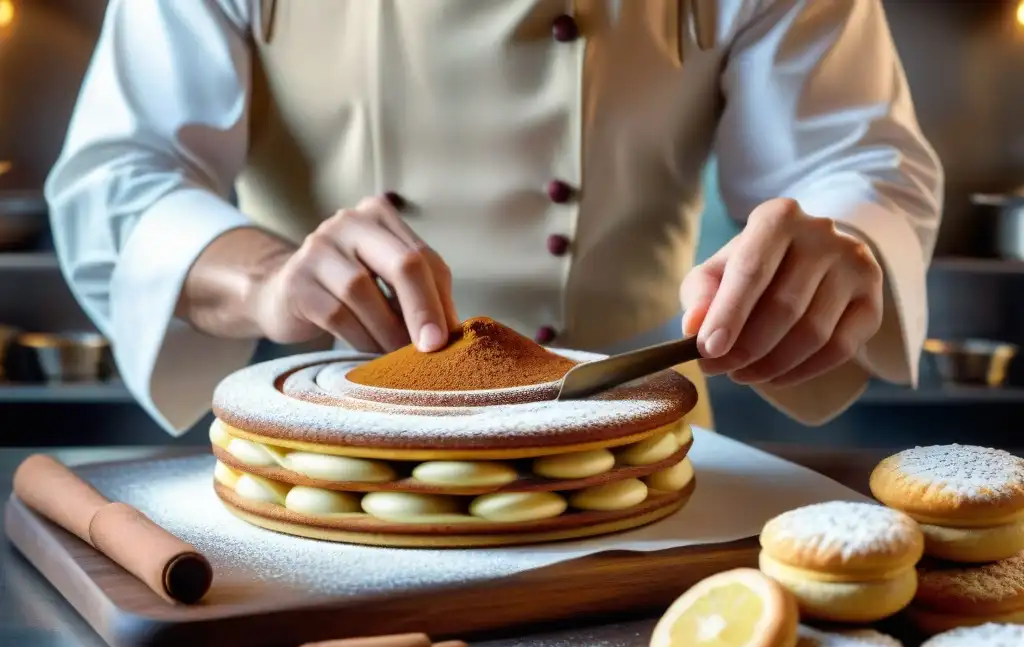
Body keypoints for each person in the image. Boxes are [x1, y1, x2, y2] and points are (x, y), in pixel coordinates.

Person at [45, 0, 942, 436]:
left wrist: (843, 249)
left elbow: (849, 161)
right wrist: (266, 278)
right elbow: (119, 175)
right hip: (322, 456)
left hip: (640, 454)